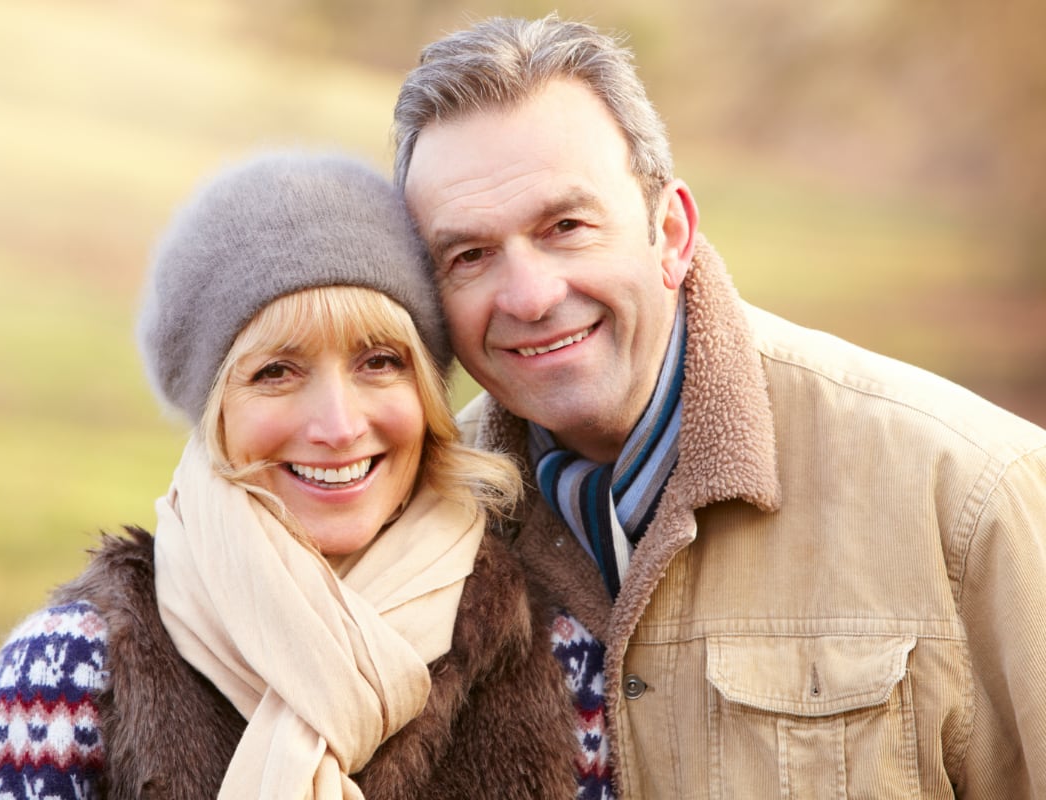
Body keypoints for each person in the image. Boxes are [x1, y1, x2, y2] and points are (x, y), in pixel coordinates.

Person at [391, 14, 1046, 799]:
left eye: (566, 227)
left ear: (670, 231)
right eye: (470, 255)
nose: (530, 296)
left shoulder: (971, 498)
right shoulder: (420, 526)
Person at [0, 152, 579, 800]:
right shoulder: (68, 675)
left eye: (380, 361)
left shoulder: (555, 660)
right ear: (214, 408)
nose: (338, 425)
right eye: (276, 372)